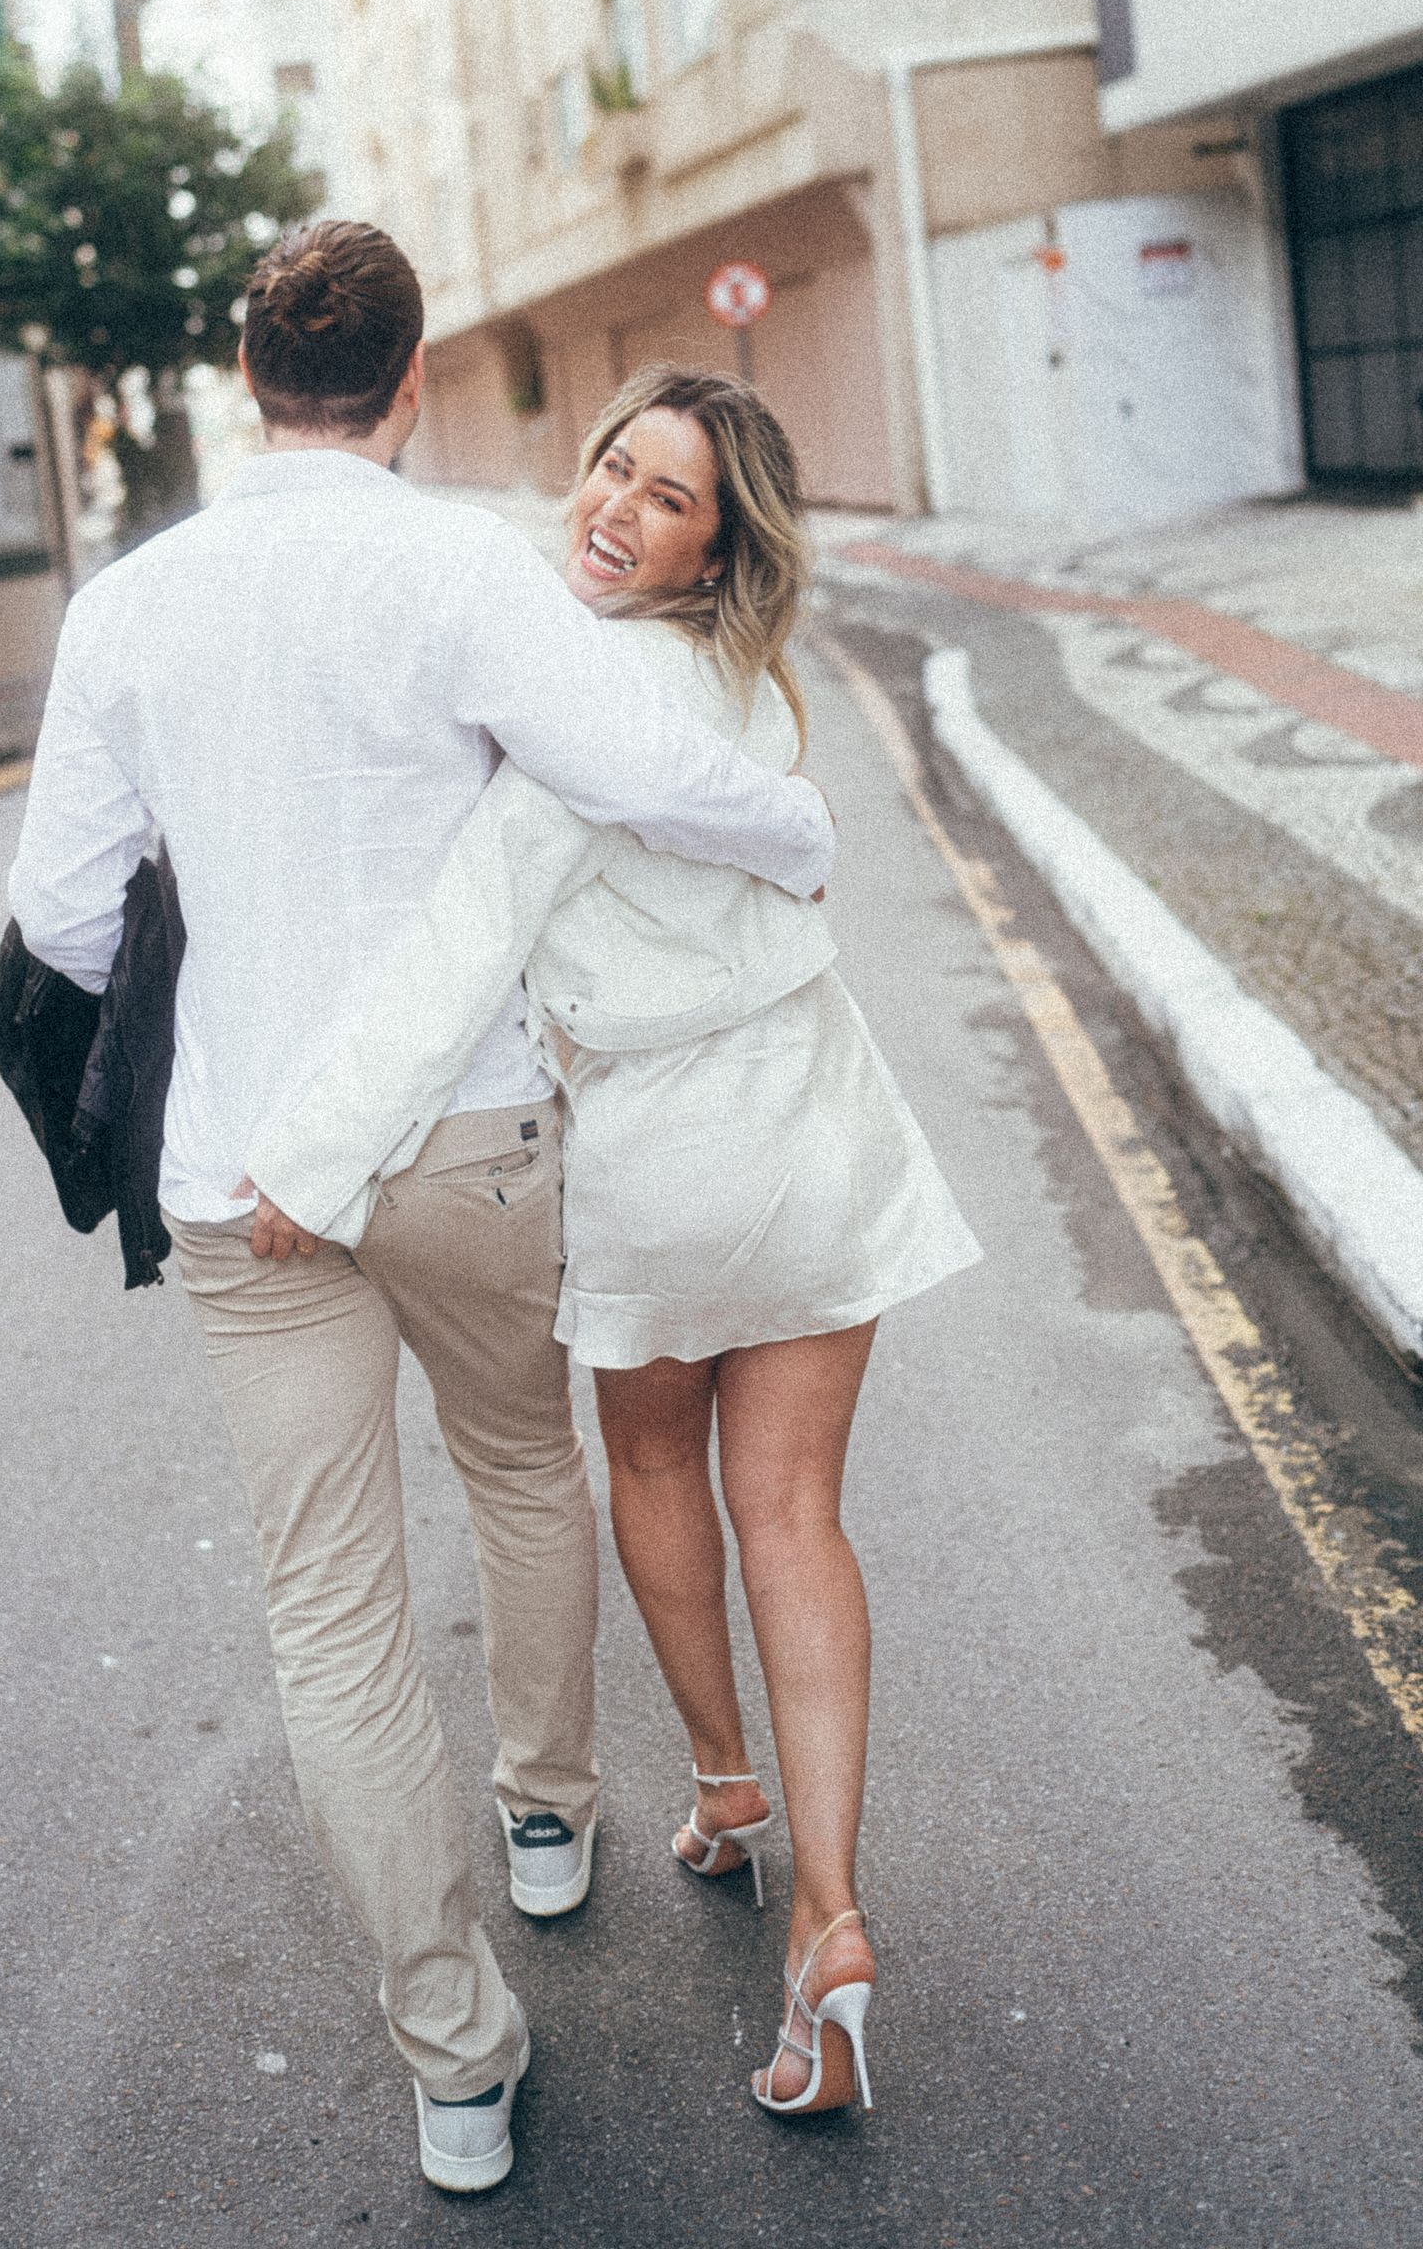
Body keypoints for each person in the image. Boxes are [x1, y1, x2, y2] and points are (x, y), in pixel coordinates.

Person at [6, 228, 836, 2193]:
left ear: (240, 373)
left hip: (236, 1172)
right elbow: (643, 764)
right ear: (411, 381)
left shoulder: (129, 607)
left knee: (332, 1612)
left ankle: (454, 2058)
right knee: (525, 1471)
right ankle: (550, 1814)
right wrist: (798, 834)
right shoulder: (465, 562)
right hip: (469, 1141)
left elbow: (57, 911)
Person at [247, 364, 981, 2124]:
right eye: (612, 467)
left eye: (667, 499)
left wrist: (315, 1160)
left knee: (654, 1467)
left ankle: (726, 1782)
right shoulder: (747, 684)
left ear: (714, 550)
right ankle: (827, 1910)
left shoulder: (582, 705)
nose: (615, 507)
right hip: (817, 1118)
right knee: (795, 1514)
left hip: (661, 1148)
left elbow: (463, 944)